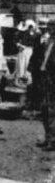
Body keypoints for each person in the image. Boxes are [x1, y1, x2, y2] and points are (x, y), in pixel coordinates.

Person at [37, 19, 55, 151]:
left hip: (53, 78)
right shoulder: (48, 41)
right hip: (46, 78)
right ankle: (48, 137)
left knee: (52, 110)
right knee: (45, 109)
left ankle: (52, 141)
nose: (49, 29)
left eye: (52, 27)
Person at [15, 19, 38, 84]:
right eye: (29, 27)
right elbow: (17, 40)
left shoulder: (34, 34)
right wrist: (19, 45)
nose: (31, 28)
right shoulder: (24, 33)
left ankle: (26, 78)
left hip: (29, 50)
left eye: (31, 27)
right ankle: (21, 78)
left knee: (27, 63)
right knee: (22, 63)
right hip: (24, 49)